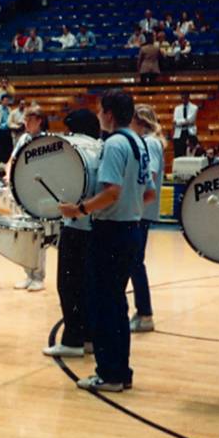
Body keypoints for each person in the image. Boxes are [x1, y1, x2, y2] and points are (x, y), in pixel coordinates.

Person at [59, 90, 154, 392]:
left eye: (101, 110)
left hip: (110, 231)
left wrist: (81, 209)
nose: (99, 115)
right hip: (131, 229)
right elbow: (149, 192)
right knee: (116, 304)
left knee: (103, 304)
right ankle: (120, 371)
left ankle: (109, 373)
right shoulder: (139, 142)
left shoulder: (114, 144)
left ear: (109, 113)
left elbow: (112, 191)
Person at [42, 109, 101, 358]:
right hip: (97, 226)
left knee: (68, 285)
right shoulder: (101, 147)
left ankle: (72, 339)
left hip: (76, 226)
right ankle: (88, 337)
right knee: (88, 286)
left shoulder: (73, 148)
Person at [3, 106, 49, 291]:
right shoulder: (23, 138)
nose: (25, 122)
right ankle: (28, 274)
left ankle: (39, 276)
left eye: (29, 119)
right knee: (25, 235)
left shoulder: (47, 140)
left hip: (38, 193)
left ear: (39, 120)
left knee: (38, 237)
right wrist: (8, 175)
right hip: (22, 191)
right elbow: (12, 161)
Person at [128, 104, 164, 333]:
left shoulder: (149, 143)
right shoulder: (151, 142)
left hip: (140, 210)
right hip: (141, 210)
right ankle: (142, 311)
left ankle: (145, 313)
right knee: (133, 262)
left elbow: (148, 176)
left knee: (134, 262)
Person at [171, 91, 197, 157]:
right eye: (182, 98)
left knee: (189, 153)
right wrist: (182, 122)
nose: (183, 99)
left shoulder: (194, 107)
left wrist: (179, 122)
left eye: (185, 98)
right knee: (178, 153)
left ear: (188, 97)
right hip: (179, 132)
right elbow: (174, 121)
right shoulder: (177, 108)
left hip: (190, 132)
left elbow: (190, 120)